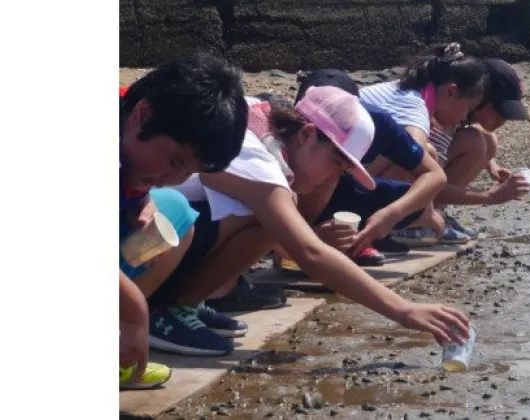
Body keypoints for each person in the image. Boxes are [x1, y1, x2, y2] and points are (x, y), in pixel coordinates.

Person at [142, 86, 470, 356]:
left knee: (269, 221)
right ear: (308, 134)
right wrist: (404, 311)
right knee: (267, 221)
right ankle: (164, 311)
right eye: (335, 163)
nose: (332, 178)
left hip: (146, 228)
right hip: (133, 233)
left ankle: (182, 303)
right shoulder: (260, 162)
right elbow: (310, 255)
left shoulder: (264, 119)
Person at [119, 53, 248, 388]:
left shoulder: (135, 147)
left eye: (188, 171)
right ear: (142, 115)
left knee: (174, 212)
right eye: (174, 160)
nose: (174, 177)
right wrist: (134, 311)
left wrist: (142, 200)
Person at [271, 69, 448, 273]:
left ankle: (360, 241)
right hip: (296, 201)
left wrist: (389, 215)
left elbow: (435, 175)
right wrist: (309, 239)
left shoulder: (377, 122)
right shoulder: (282, 142)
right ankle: (300, 244)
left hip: (345, 195)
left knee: (415, 203)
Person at [358, 43, 489, 245]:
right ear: (451, 91)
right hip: (342, 180)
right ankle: (403, 223)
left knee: (423, 154)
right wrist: (426, 213)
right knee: (426, 153)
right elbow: (415, 159)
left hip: (341, 166)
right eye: (468, 108)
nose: (465, 117)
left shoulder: (406, 90)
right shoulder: (413, 106)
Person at [429, 58, 530, 238]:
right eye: (500, 113)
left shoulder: (458, 109)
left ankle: (438, 212)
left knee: (487, 139)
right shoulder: (444, 116)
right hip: (402, 182)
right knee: (475, 141)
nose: (503, 121)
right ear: (479, 98)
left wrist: (492, 167)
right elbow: (427, 174)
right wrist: (489, 196)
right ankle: (423, 217)